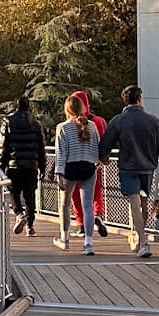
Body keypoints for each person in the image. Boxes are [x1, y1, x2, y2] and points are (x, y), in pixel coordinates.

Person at [98, 84, 159, 259]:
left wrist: (104, 158)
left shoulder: (118, 120)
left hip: (128, 167)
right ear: (140, 99)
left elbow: (105, 144)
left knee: (134, 205)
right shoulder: (153, 120)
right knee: (143, 204)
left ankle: (143, 241)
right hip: (147, 168)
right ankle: (141, 239)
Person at [53, 94, 100, 254]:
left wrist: (58, 172)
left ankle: (64, 238)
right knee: (87, 207)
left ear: (67, 109)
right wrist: (96, 163)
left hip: (69, 168)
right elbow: (97, 146)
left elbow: (61, 152)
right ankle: (88, 243)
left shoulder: (63, 127)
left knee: (65, 205)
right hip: (88, 167)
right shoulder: (92, 126)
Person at [0, 96, 45, 236]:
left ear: (16, 106)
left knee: (13, 192)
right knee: (30, 196)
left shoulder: (8, 121)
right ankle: (30, 227)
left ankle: (19, 214)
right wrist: (42, 165)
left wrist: (1, 165)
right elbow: (41, 147)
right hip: (31, 165)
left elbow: (3, 146)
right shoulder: (35, 123)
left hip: (14, 165)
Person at [66, 91, 110, 238]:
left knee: (75, 197)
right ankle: (97, 216)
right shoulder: (97, 122)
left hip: (73, 165)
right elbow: (102, 141)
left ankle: (81, 224)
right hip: (93, 164)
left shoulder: (68, 125)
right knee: (96, 193)